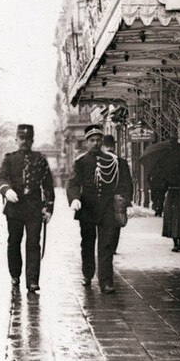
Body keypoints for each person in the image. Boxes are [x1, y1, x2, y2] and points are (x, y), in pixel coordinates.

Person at [67, 124, 132, 294]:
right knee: (87, 244)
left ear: (102, 141)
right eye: (92, 140)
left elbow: (124, 183)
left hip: (107, 209)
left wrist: (127, 204)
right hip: (87, 208)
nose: (95, 143)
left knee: (106, 245)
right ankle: (87, 275)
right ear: (87, 142)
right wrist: (74, 199)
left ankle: (106, 282)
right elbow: (73, 183)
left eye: (98, 140)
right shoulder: (80, 162)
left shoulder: (114, 161)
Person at [0, 124, 55, 293]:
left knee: (33, 244)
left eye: (28, 139)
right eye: (22, 138)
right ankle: (15, 274)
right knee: (14, 242)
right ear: (16, 139)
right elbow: (0, 178)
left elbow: (48, 185)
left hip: (34, 209)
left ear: (32, 141)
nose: (24, 142)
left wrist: (48, 208)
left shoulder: (40, 159)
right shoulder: (9, 159)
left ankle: (33, 280)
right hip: (14, 208)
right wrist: (6, 190)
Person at [101, 134, 133, 256]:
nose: (109, 148)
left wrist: (128, 203)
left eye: (109, 145)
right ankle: (110, 246)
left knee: (111, 223)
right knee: (112, 224)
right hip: (112, 199)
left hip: (112, 199)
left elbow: (128, 183)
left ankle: (109, 247)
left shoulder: (119, 162)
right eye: (107, 145)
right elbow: (128, 183)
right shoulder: (119, 162)